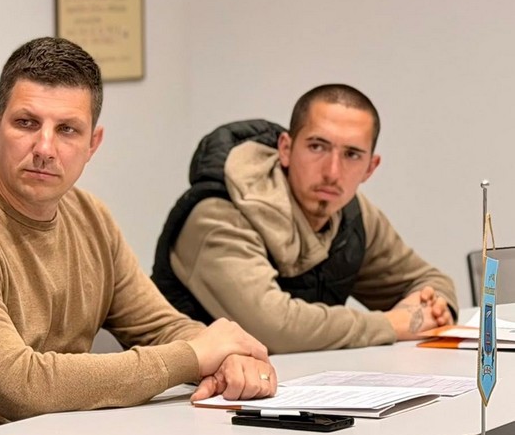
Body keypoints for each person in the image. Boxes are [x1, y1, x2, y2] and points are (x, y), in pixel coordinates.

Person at [0, 37, 276, 435]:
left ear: (92, 143)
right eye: (26, 123)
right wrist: (194, 356)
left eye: (67, 130)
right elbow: (22, 387)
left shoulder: (90, 216)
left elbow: (159, 325)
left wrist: (228, 358)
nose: (45, 148)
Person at [152, 84, 457, 354]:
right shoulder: (219, 213)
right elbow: (273, 328)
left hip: (301, 387)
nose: (332, 172)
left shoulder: (351, 213)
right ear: (285, 149)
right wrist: (392, 324)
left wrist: (431, 308)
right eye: (317, 147)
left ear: (370, 168)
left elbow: (430, 281)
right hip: (190, 394)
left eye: (351, 154)